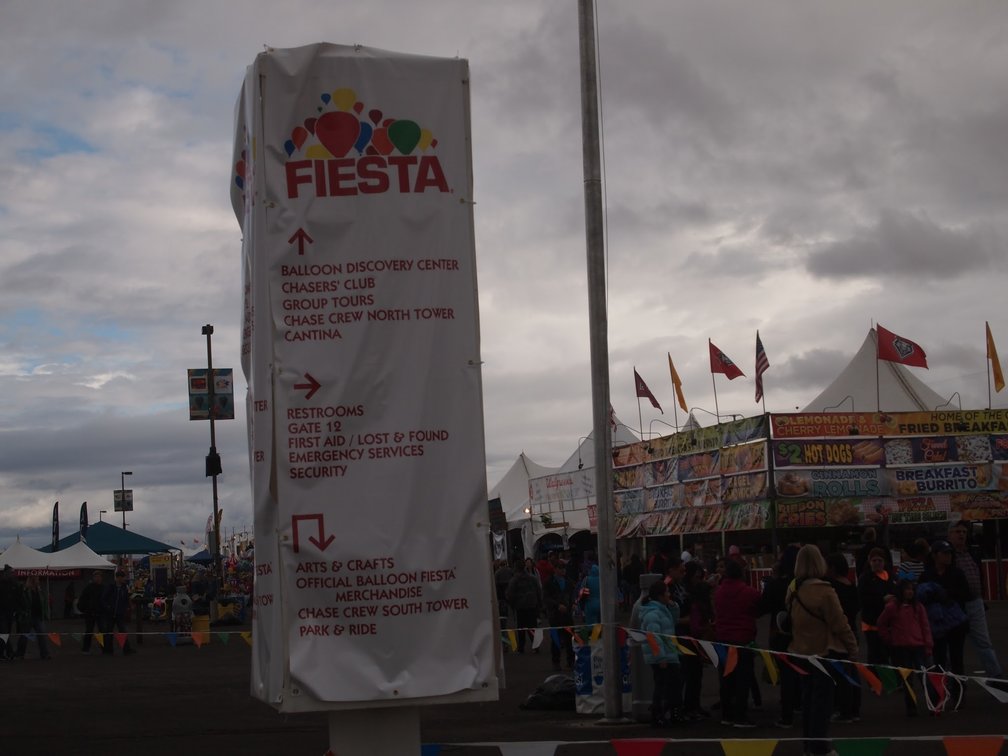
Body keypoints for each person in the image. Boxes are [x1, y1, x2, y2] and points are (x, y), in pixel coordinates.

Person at [788, 544, 858, 756]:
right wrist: (852, 647)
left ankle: (809, 746)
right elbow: (840, 623)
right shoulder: (824, 590)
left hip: (800, 651)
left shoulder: (793, 589)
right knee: (822, 704)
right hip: (823, 652)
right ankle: (819, 748)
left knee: (808, 701)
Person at [948, 522, 1003, 677]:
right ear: (949, 535)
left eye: (964, 532)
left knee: (984, 641)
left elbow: (978, 573)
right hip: (955, 605)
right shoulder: (947, 555)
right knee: (953, 646)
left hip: (975, 602)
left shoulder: (972, 552)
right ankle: (953, 680)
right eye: (957, 531)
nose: (961, 535)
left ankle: (995, 676)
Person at [713, 558, 761, 728]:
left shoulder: (718, 592)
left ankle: (727, 715)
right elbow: (759, 606)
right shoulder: (749, 592)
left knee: (726, 680)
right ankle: (740, 716)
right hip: (742, 641)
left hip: (722, 640)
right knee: (743, 680)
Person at [877, 579, 932, 716]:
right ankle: (911, 707)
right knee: (908, 681)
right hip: (901, 648)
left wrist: (928, 645)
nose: (910, 592)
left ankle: (933, 704)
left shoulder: (918, 607)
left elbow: (925, 627)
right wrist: (889, 639)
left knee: (924, 678)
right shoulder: (892, 607)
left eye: (912, 589)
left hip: (918, 646)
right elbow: (881, 623)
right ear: (901, 591)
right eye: (907, 589)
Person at [760, 544, 801, 728]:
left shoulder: (777, 584)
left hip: (780, 632)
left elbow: (763, 606)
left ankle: (787, 713)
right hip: (802, 633)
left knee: (787, 673)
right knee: (802, 669)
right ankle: (799, 704)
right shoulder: (803, 583)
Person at [638, 579, 685, 726]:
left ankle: (667, 713)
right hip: (664, 656)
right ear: (660, 596)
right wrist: (661, 657)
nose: (669, 595)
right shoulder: (653, 614)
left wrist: (673, 606)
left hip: (669, 653)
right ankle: (660, 713)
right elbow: (654, 638)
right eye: (667, 593)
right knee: (665, 686)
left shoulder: (661, 611)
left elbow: (674, 619)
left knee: (670, 685)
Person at [918, 540, 968, 675]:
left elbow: (965, 594)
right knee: (939, 659)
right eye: (944, 553)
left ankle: (958, 692)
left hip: (956, 623)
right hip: (936, 624)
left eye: (950, 553)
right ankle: (941, 692)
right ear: (934, 555)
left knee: (957, 658)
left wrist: (943, 594)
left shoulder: (957, 573)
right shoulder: (926, 575)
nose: (948, 556)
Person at [825, 552, 860, 723]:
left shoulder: (831, 587)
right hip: (852, 630)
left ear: (832, 568)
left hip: (837, 633)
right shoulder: (851, 586)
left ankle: (844, 710)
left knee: (839, 674)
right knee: (852, 671)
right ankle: (854, 710)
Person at [683, 560, 714, 720]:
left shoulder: (695, 594)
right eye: (696, 576)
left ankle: (694, 705)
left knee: (696, 674)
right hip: (690, 639)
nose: (698, 580)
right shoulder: (689, 595)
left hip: (696, 638)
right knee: (691, 674)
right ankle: (690, 706)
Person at [857, 547, 897, 665]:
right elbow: (863, 599)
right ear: (869, 562)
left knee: (888, 653)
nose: (877, 563)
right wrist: (882, 600)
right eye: (874, 560)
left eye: (879, 560)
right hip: (871, 622)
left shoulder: (891, 576)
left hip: (889, 623)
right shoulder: (865, 578)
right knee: (875, 655)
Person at [541, 563, 575, 671]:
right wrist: (557, 605)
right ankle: (556, 662)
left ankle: (571, 661)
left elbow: (572, 595)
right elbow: (546, 597)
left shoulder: (568, 582)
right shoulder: (549, 582)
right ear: (555, 569)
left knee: (570, 639)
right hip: (555, 615)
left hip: (567, 614)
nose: (562, 570)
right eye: (560, 568)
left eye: (564, 568)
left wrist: (573, 603)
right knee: (556, 639)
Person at [504, 560, 542, 653]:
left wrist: (512, 604)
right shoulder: (532, 578)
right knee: (533, 627)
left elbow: (510, 594)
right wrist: (539, 603)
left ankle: (521, 647)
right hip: (532, 605)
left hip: (520, 607)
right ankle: (536, 646)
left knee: (521, 628)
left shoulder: (514, 580)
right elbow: (539, 591)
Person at [15, 574, 51, 660]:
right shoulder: (25, 591)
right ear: (31, 580)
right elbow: (20, 603)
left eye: (37, 579)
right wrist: (23, 613)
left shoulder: (40, 591)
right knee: (24, 636)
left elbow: (44, 603)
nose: (37, 580)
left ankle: (45, 654)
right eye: (35, 579)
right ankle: (20, 654)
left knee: (42, 635)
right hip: (28, 617)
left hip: (38, 617)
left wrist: (46, 614)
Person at [101, 570, 134, 655]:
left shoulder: (124, 587)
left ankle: (127, 649)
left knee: (122, 631)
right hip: (110, 614)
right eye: (123, 577)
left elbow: (126, 598)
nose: (124, 579)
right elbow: (104, 599)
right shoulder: (110, 586)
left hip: (120, 613)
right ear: (118, 578)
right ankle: (108, 650)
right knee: (109, 632)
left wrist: (127, 607)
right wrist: (108, 607)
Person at [79, 570, 106, 653]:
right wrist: (85, 609)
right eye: (96, 577)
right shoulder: (88, 588)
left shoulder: (104, 588)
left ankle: (104, 648)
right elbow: (82, 599)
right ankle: (85, 649)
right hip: (89, 613)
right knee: (89, 631)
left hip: (100, 613)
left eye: (99, 577)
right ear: (93, 578)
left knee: (102, 630)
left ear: (101, 578)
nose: (98, 578)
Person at [0, 565, 20, 660]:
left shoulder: (14, 584)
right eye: (11, 572)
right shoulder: (1, 584)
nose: (12, 574)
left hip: (10, 612)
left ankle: (8, 653)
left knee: (6, 633)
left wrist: (16, 609)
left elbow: (17, 598)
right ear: (6, 573)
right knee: (4, 633)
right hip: (2, 613)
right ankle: (8, 652)